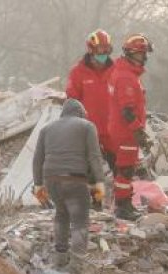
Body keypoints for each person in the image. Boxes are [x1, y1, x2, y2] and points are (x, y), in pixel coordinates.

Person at [32, 99, 105, 269]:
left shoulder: (46, 129)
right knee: (80, 220)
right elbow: (94, 157)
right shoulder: (87, 126)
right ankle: (78, 265)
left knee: (61, 214)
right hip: (74, 179)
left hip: (51, 180)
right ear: (80, 112)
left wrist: (38, 185)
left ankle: (60, 259)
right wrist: (99, 183)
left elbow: (37, 160)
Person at [108, 33, 153, 220]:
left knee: (126, 169)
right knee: (125, 170)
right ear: (133, 54)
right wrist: (139, 131)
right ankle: (123, 207)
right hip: (125, 131)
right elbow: (127, 110)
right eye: (142, 54)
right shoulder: (126, 77)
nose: (145, 58)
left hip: (123, 130)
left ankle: (125, 204)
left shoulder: (126, 73)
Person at [66, 29, 115, 173]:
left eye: (107, 49)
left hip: (112, 133)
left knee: (120, 174)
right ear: (91, 49)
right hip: (88, 132)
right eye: (101, 49)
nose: (104, 53)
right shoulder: (77, 73)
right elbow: (72, 102)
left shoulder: (116, 70)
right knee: (90, 174)